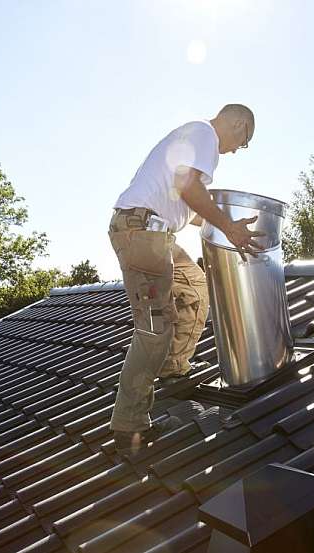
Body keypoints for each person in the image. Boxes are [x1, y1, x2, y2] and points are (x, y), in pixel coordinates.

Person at [108, 104, 264, 454]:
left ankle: (172, 368)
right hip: (142, 235)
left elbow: (189, 206)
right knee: (154, 328)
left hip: (153, 235)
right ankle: (128, 426)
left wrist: (227, 224)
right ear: (237, 123)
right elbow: (188, 185)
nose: (239, 148)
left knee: (195, 285)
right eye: (245, 140)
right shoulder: (204, 134)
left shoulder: (194, 137)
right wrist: (229, 228)